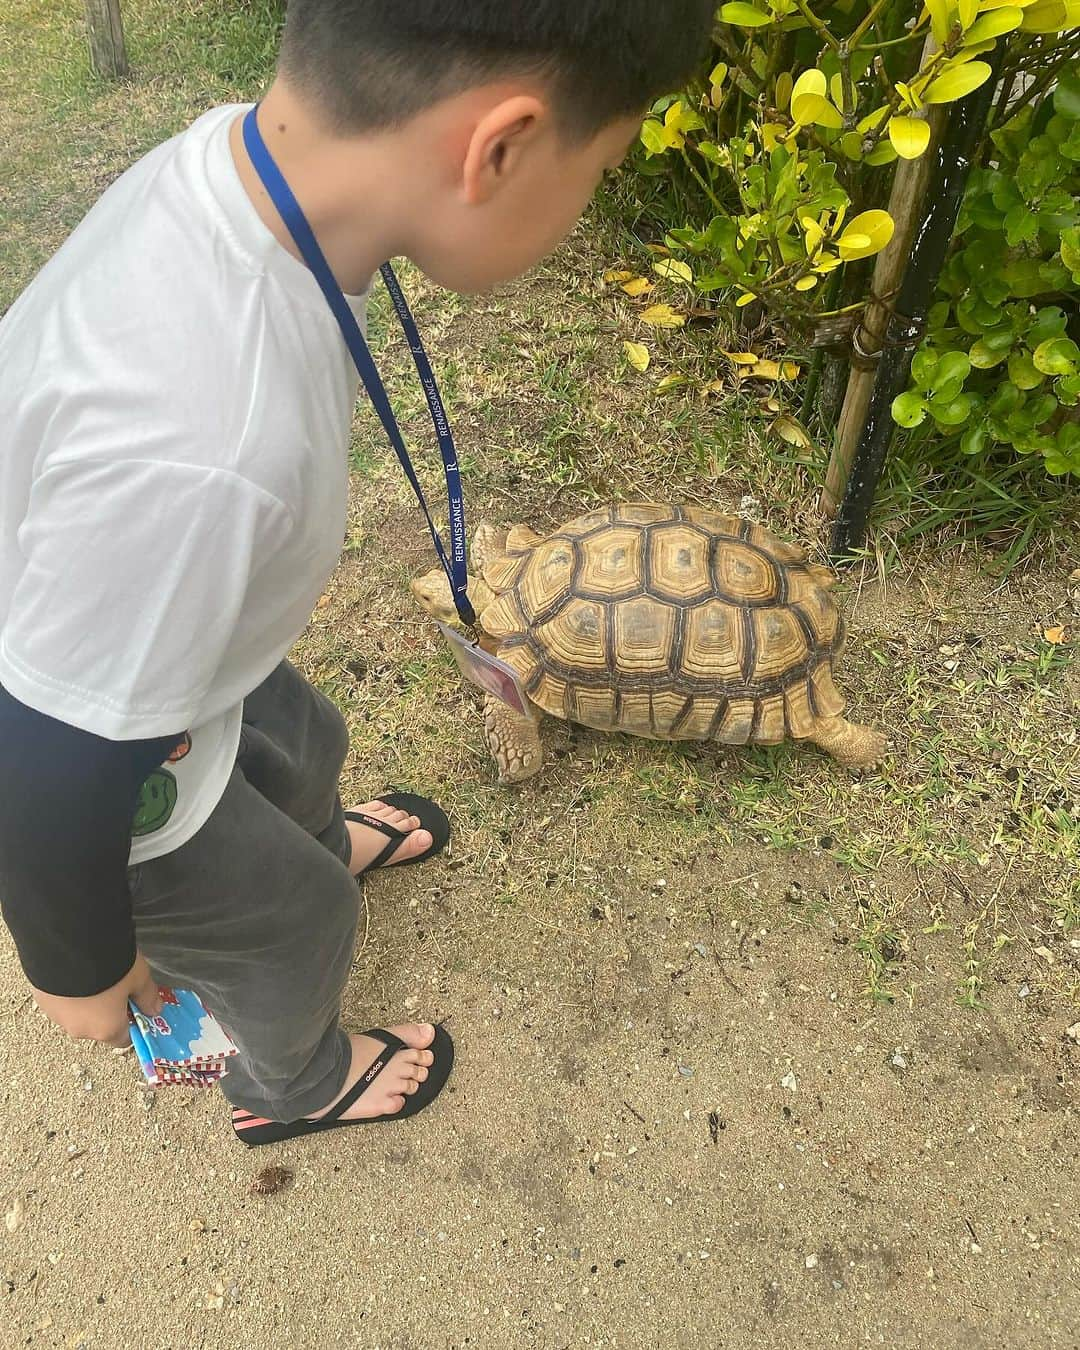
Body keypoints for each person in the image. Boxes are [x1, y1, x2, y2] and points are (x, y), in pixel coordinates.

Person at [0, 0, 713, 1146]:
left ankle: (313, 832)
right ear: (501, 147)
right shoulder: (201, 445)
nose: (586, 211)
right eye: (601, 171)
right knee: (293, 923)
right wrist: (76, 963)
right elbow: (44, 760)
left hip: (165, 662)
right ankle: (293, 1084)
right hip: (102, 773)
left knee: (301, 743)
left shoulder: (237, 165)